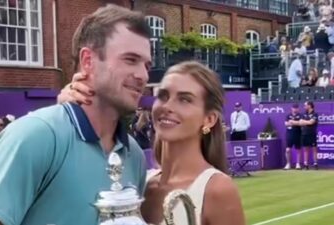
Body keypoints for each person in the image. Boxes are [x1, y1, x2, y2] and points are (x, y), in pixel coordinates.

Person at [0, 4, 151, 225]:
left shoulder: (135, 156)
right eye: (130, 60)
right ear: (88, 61)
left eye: (147, 65)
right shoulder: (33, 135)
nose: (142, 75)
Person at [60, 61, 245, 225]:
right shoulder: (141, 182)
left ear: (209, 119)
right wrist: (68, 112)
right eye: (163, 96)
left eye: (185, 99)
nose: (167, 107)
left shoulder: (217, 190)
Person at [297, 101, 319, 170]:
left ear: (309, 106)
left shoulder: (315, 114)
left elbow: (312, 122)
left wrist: (305, 122)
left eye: (305, 105)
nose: (304, 107)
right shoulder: (304, 114)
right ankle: (306, 165)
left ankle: (315, 164)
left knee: (314, 149)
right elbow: (300, 123)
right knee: (305, 149)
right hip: (304, 134)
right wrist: (307, 122)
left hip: (312, 134)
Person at [284, 104, 302, 170]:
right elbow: (286, 124)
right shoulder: (288, 115)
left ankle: (298, 164)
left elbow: (300, 123)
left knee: (298, 150)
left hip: (298, 134)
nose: (295, 109)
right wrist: (295, 123)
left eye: (296, 108)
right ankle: (288, 164)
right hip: (289, 134)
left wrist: (292, 122)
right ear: (291, 108)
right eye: (294, 108)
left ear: (298, 109)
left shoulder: (300, 115)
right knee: (288, 150)